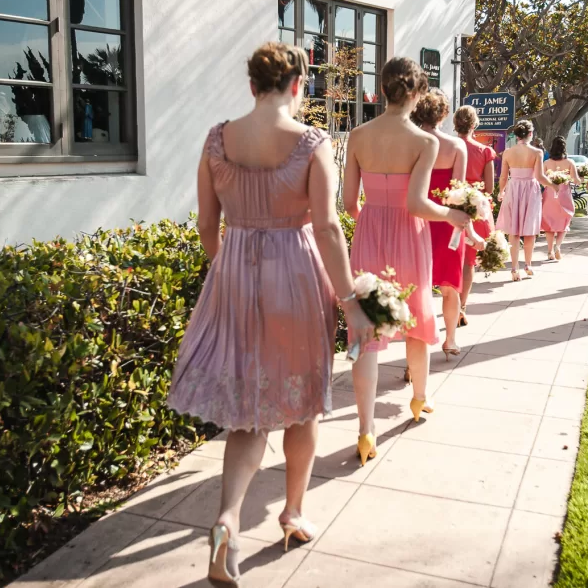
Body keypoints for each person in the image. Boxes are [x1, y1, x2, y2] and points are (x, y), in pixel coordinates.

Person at [167, 42, 375, 587]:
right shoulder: (311, 142)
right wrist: (350, 299)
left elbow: (207, 227)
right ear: (298, 86)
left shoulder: (218, 139)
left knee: (248, 412)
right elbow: (328, 228)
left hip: (236, 274)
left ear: (253, 86)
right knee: (302, 405)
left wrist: (230, 269)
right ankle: (292, 513)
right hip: (295, 274)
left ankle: (227, 522)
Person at [344, 57, 470, 466]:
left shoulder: (357, 135)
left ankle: (366, 431)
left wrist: (371, 225)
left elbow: (348, 204)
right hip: (408, 238)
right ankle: (418, 400)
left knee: (365, 336)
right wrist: (452, 214)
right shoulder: (425, 141)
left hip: (368, 237)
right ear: (416, 94)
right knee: (416, 321)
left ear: (383, 89)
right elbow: (417, 204)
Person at [410, 89, 475, 358]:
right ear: (444, 114)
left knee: (417, 287)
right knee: (450, 288)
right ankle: (449, 339)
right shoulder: (456, 146)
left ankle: (415, 349)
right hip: (447, 221)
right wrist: (469, 229)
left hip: (416, 219)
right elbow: (457, 193)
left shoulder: (410, 143)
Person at [455, 105, 495, 326]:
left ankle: (449, 303)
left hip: (450, 205)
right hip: (474, 208)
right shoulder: (484, 151)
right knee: (468, 262)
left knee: (450, 257)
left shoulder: (447, 147)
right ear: (474, 124)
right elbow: (489, 188)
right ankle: (461, 307)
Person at [496, 120, 549, 281]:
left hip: (513, 189)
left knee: (514, 231)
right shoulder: (537, 153)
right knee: (530, 230)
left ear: (517, 135)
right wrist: (553, 185)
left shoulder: (508, 152)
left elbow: (504, 176)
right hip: (530, 191)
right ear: (531, 134)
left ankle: (513, 268)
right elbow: (540, 177)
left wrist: (501, 191)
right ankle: (527, 264)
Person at [542, 137, 581, 260]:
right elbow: (576, 181)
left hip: (549, 195)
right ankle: (557, 246)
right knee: (564, 221)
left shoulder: (546, 163)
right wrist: (581, 178)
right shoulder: (570, 163)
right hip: (564, 194)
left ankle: (549, 251)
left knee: (548, 224)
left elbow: (542, 181)